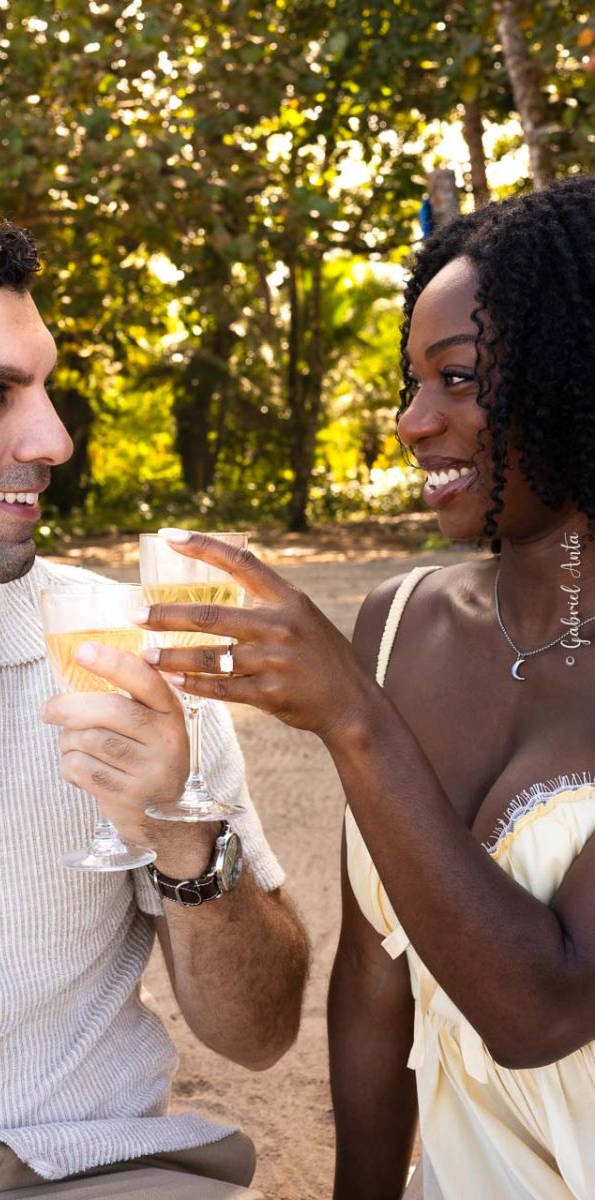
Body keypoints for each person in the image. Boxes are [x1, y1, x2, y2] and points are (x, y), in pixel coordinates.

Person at [0, 185, 309, 1200]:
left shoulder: (125, 653)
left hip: (94, 1172)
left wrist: (179, 831)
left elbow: (258, 1035)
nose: (54, 440)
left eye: (44, 388)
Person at [138, 175, 595, 1199]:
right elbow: (374, 977)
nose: (410, 421)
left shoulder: (364, 685)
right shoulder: (401, 622)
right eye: (409, 383)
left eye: (458, 378)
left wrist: (353, 716)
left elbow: (542, 1009)